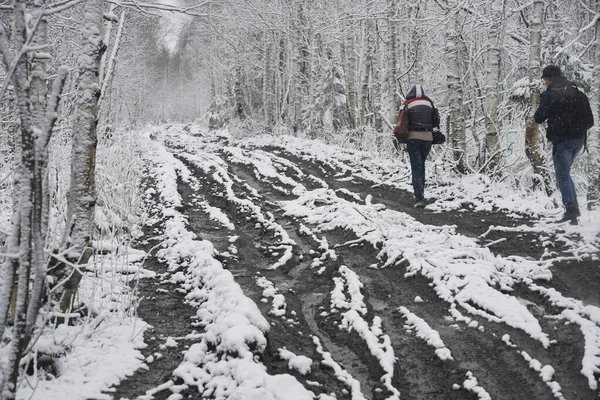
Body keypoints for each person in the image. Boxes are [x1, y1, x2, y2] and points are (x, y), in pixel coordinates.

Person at [534, 65, 594, 225]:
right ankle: (574, 208)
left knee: (562, 176)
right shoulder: (575, 91)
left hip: (562, 141)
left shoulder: (551, 95)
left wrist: (543, 101)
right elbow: (589, 120)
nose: (545, 82)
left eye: (546, 79)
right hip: (579, 139)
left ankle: (571, 211)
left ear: (550, 78)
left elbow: (539, 117)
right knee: (565, 174)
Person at [403, 84, 440, 208]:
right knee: (421, 164)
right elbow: (436, 120)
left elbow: (401, 120)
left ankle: (419, 196)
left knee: (416, 166)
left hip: (413, 138)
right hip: (428, 139)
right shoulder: (429, 103)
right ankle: (421, 192)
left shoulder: (408, 103)